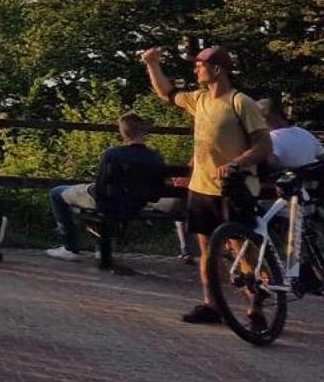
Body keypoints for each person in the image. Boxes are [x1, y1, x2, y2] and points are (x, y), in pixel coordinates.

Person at [141, 44, 271, 325]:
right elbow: (167, 93)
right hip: (201, 188)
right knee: (207, 250)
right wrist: (152, 64)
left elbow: (264, 144)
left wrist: (237, 163)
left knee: (241, 248)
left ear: (217, 69)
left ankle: (255, 307)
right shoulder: (198, 100)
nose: (195, 68)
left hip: (233, 188)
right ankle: (211, 304)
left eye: (199, 64)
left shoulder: (240, 102)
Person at [46, 113, 172, 263]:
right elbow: (157, 190)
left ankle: (69, 247)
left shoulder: (113, 154)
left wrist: (90, 189)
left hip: (108, 203)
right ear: (143, 132)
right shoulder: (156, 157)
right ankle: (100, 247)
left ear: (123, 132)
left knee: (56, 193)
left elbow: (101, 188)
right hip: (137, 204)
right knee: (106, 199)